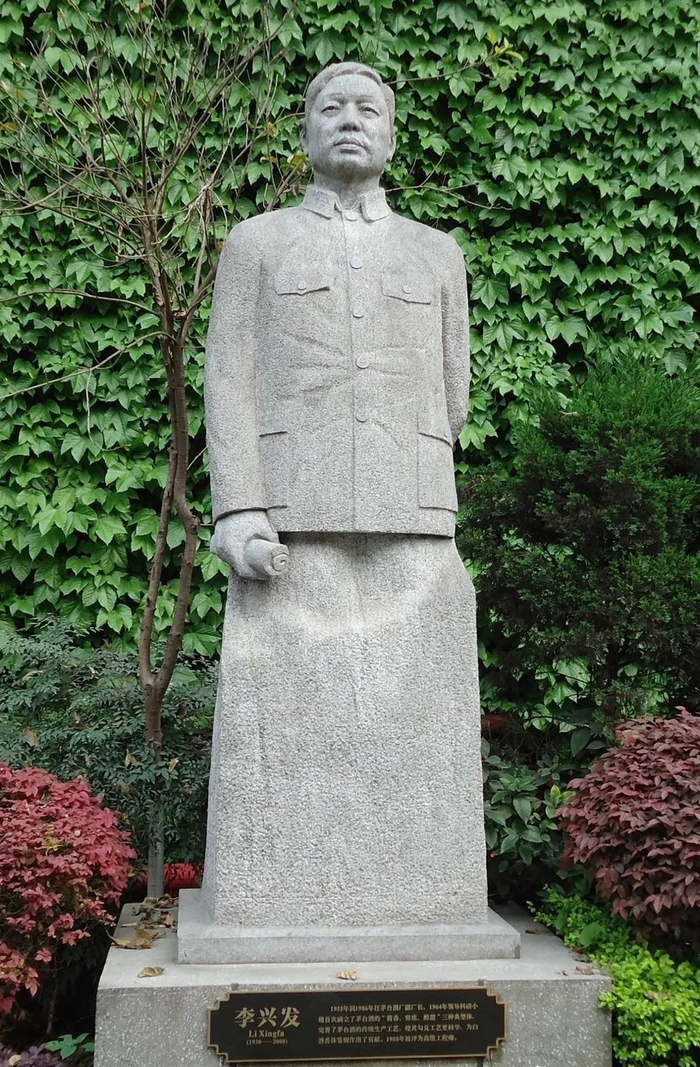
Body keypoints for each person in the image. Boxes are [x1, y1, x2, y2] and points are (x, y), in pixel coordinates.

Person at [194, 63, 487, 949]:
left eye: (368, 109)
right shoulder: (257, 244)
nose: (350, 120)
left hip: (414, 513)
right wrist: (239, 508)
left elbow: (454, 386)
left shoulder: (438, 253)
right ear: (306, 132)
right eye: (331, 108)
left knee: (412, 727)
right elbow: (228, 375)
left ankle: (420, 892)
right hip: (293, 515)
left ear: (391, 133)